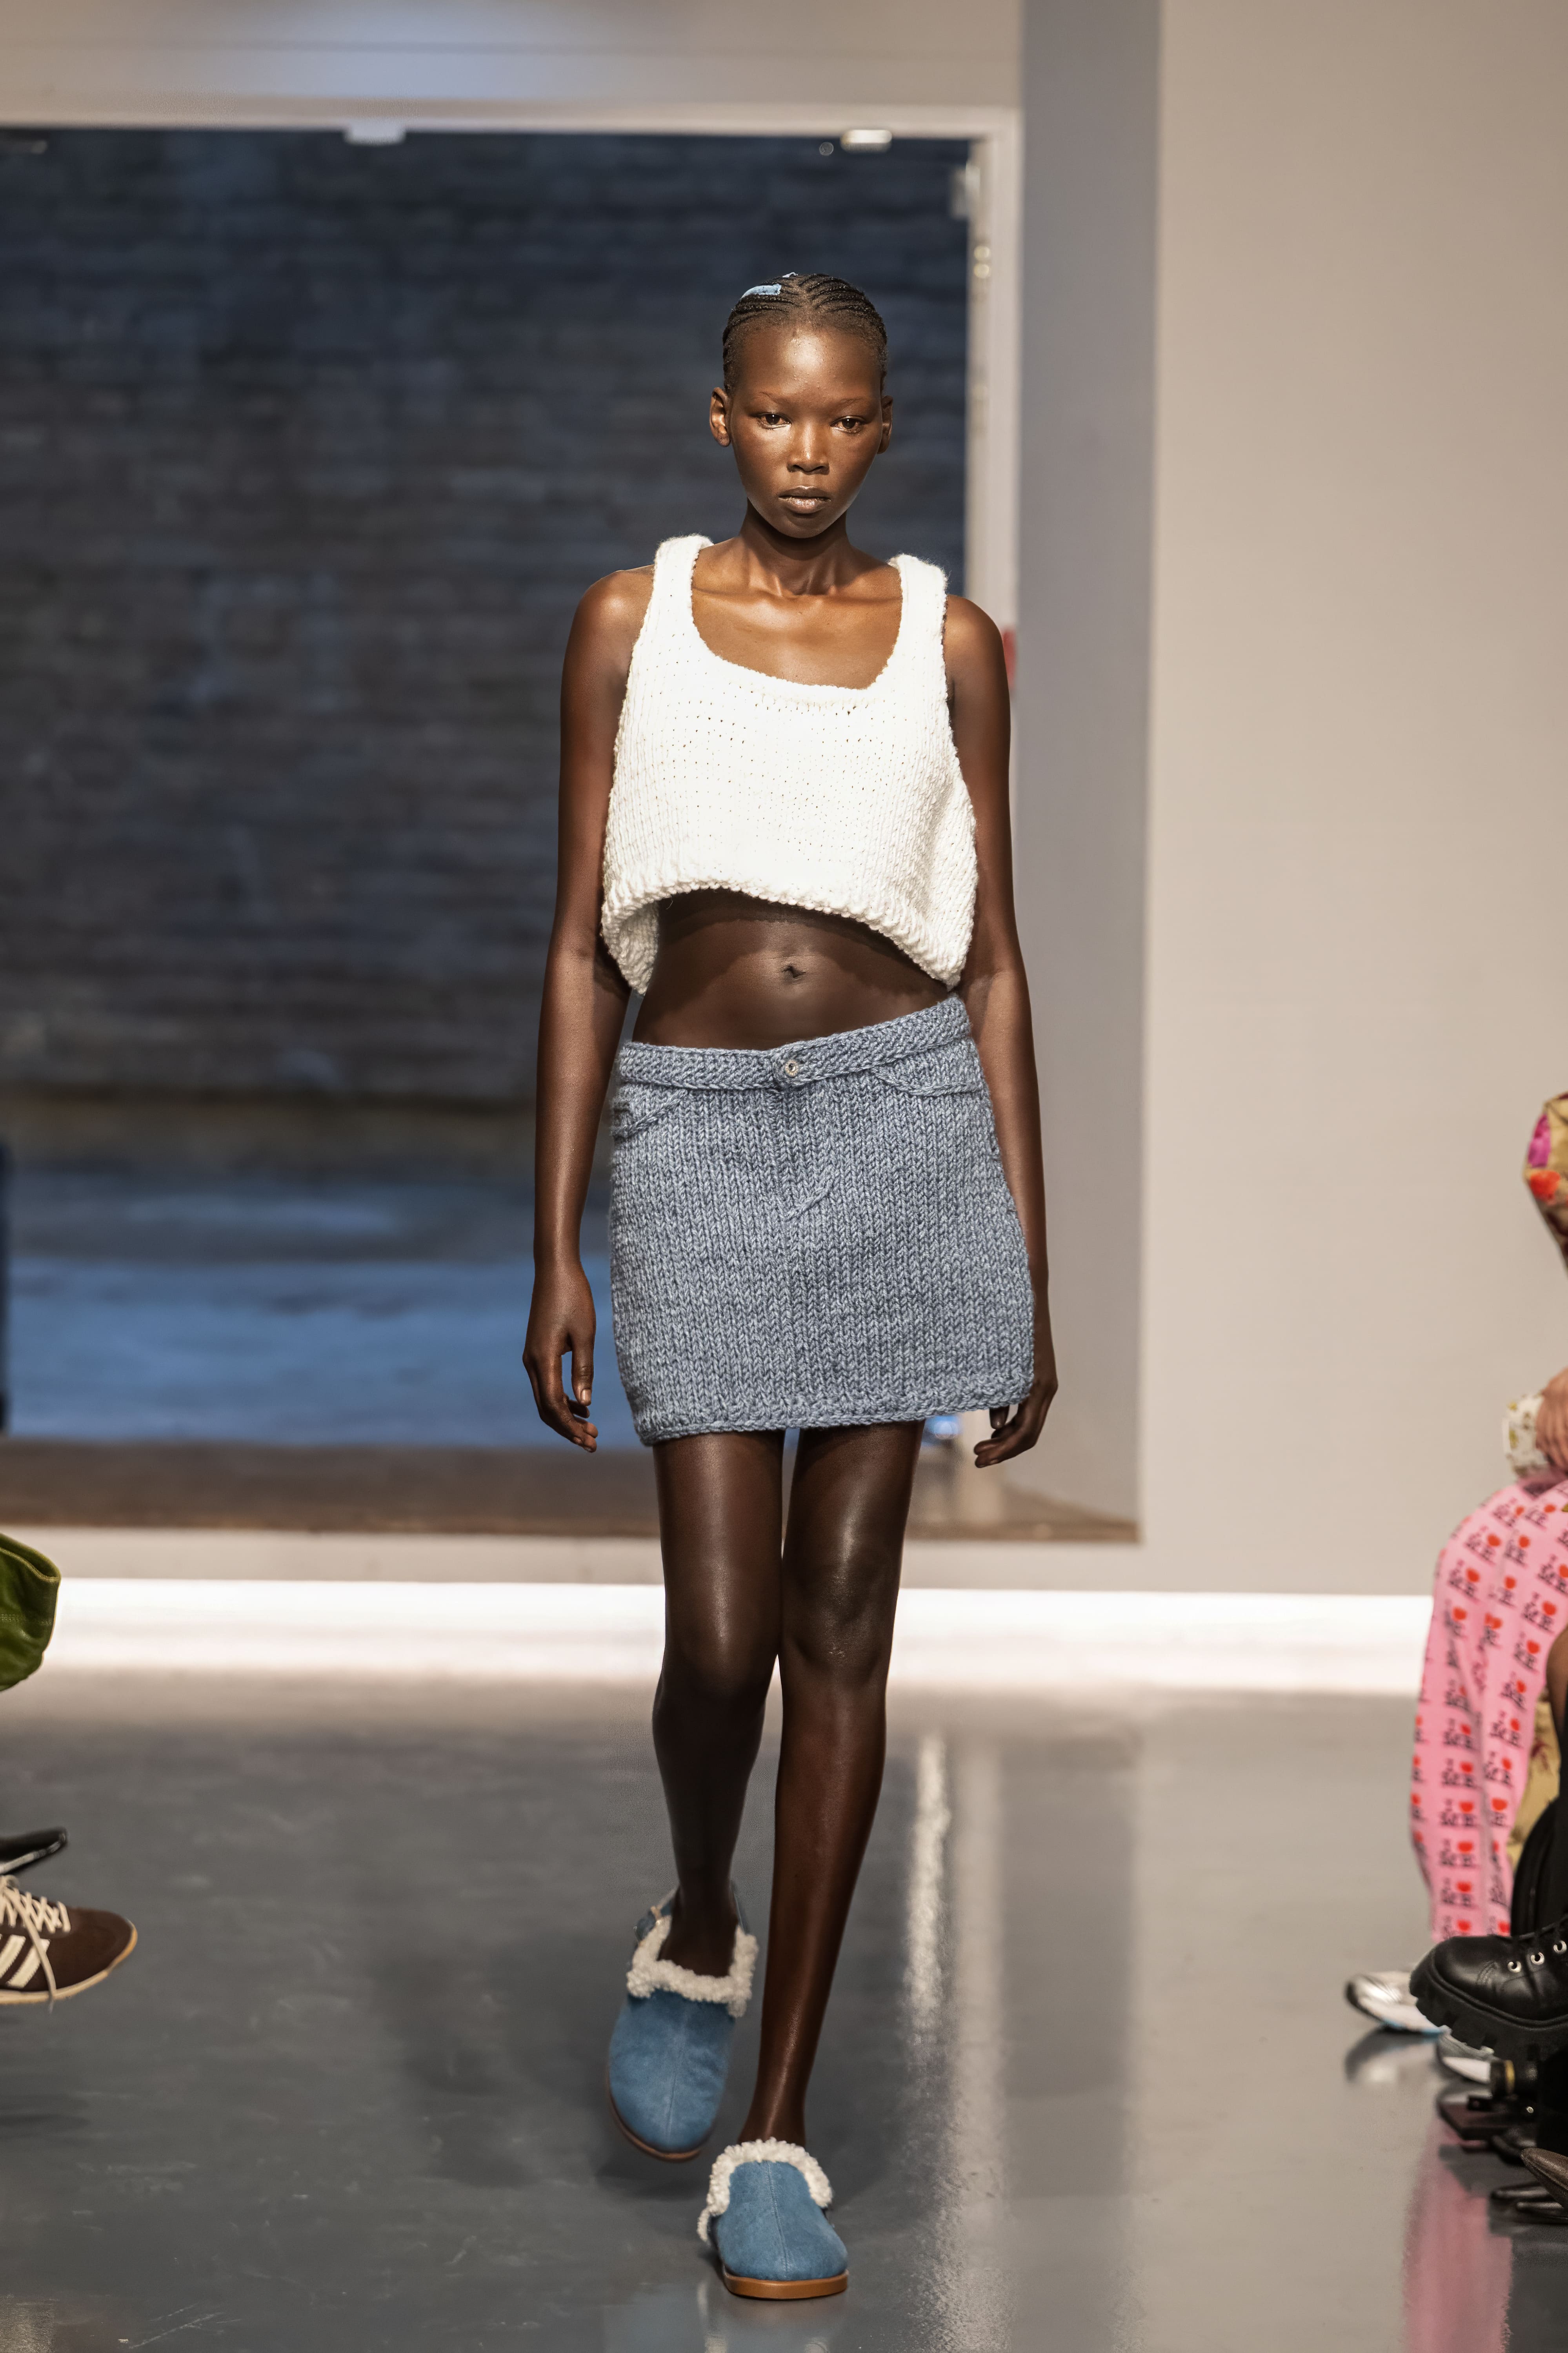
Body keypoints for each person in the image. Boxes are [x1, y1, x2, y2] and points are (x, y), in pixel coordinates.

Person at [523, 272, 1055, 2300]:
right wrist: (554, 1238)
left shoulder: (953, 639)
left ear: (885, 426)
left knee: (843, 1636)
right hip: (696, 1136)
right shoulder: (629, 619)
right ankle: (696, 1919)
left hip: (908, 1125)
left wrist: (1028, 1265)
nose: (809, 448)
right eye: (775, 413)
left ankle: (778, 2129)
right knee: (720, 1641)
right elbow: (579, 944)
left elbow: (994, 955)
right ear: (721, 419)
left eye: (844, 416)